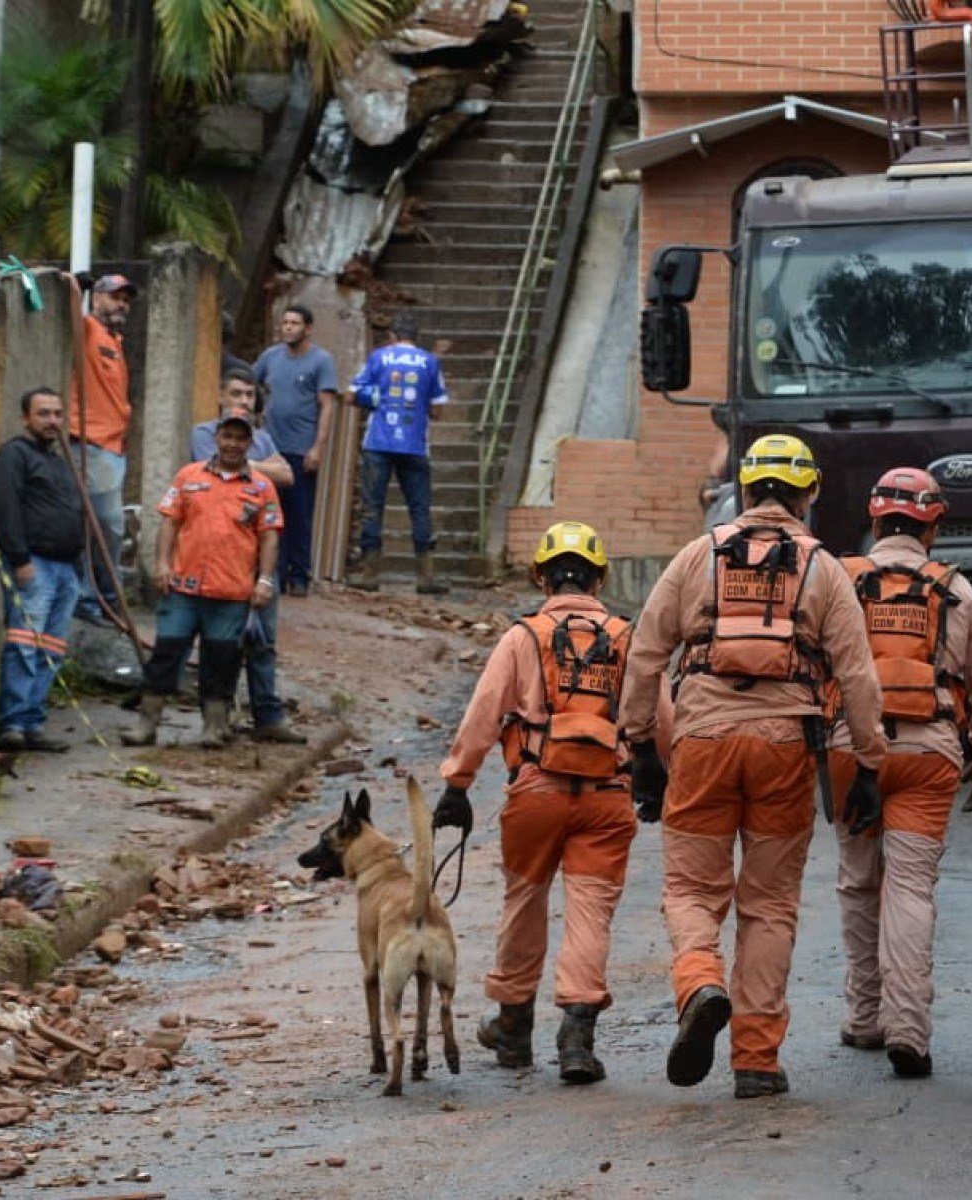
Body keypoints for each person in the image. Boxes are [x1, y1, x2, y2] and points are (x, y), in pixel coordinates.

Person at [620, 434, 886, 1100]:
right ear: (809, 495)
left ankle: (701, 982)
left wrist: (639, 746)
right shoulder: (824, 568)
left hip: (704, 741)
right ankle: (758, 1061)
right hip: (785, 747)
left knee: (690, 890)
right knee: (768, 905)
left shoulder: (695, 557)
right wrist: (872, 764)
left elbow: (646, 652)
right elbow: (857, 676)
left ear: (743, 490)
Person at [435, 521, 637, 1085]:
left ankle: (514, 1026)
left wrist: (457, 784)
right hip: (607, 796)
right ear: (598, 578)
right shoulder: (625, 635)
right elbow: (657, 717)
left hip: (535, 792)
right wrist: (664, 778)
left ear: (542, 576)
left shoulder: (523, 637)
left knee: (524, 900)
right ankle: (577, 1032)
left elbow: (483, 715)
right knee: (591, 907)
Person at [827, 467, 972, 1079]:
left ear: (876, 521)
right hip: (930, 753)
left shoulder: (840, 582)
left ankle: (865, 1017)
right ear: (933, 525)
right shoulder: (958, 590)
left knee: (857, 880)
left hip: (853, 748)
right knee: (909, 886)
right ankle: (909, 1028)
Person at [123, 414, 282, 749]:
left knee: (221, 661)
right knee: (166, 654)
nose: (232, 444)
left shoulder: (262, 487)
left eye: (240, 439)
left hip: (232, 591)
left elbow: (268, 537)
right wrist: (162, 565)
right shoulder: (188, 476)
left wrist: (265, 580)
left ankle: (213, 726)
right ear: (217, 439)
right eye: (227, 436)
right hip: (184, 587)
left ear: (249, 445)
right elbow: (169, 523)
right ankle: (146, 724)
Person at [190, 369, 305, 744]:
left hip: (258, 554)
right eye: (235, 393)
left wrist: (244, 463)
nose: (242, 401)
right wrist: (257, 467)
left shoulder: (263, 437)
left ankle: (267, 715)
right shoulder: (203, 433)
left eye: (249, 396)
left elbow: (287, 475)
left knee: (263, 639)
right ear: (221, 396)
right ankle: (218, 718)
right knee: (221, 643)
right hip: (218, 560)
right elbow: (219, 470)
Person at [0, 387, 87, 754]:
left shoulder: (58, 461)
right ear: (25, 418)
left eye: (58, 414)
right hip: (34, 565)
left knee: (52, 650)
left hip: (65, 570)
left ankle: (33, 724)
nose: (53, 421)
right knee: (24, 647)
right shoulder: (15, 455)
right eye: (44, 413)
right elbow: (6, 507)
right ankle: (13, 724)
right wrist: (20, 560)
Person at [345, 314, 449, 595]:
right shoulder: (430, 362)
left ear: (392, 335)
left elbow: (351, 396)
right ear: (416, 336)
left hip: (378, 443)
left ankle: (369, 575)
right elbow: (437, 410)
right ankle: (426, 578)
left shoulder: (378, 358)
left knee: (372, 507)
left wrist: (378, 398)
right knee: (419, 508)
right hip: (415, 446)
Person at [253, 305, 339, 596]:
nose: (288, 327)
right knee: (270, 512)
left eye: (294, 323)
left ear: (308, 328)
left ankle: (299, 575)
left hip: (301, 449)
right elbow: (251, 385)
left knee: (299, 515)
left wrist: (318, 446)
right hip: (271, 449)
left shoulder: (321, 360)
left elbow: (327, 405)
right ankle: (274, 573)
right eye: (285, 322)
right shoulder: (270, 357)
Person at [72, 272, 135, 622]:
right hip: (91, 443)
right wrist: (72, 286)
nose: (121, 304)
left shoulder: (115, 339)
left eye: (126, 299)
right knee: (107, 525)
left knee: (102, 525)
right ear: (96, 298)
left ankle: (102, 598)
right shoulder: (88, 329)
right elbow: (68, 314)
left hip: (113, 446)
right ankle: (97, 599)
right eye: (115, 297)